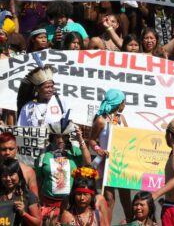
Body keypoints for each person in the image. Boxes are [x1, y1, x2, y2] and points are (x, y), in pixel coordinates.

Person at [35, 121, 91, 226]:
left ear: (68, 137)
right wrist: (37, 202)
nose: (61, 140)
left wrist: (80, 140)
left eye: (64, 137)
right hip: (48, 204)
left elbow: (88, 161)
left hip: (69, 204)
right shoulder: (44, 154)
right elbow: (38, 179)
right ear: (52, 137)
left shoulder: (73, 151)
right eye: (57, 137)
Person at [88, 89, 131, 219]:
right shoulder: (101, 120)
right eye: (124, 102)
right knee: (109, 198)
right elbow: (91, 139)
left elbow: (129, 138)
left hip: (121, 163)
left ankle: (132, 222)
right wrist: (98, 149)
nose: (125, 105)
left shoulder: (122, 119)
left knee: (126, 198)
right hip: (106, 163)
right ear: (118, 103)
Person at [0, 159, 41, 226]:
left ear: (19, 174)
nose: (8, 178)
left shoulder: (28, 195)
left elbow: (37, 223)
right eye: (4, 175)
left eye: (11, 175)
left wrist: (24, 213)